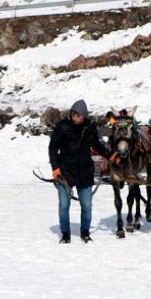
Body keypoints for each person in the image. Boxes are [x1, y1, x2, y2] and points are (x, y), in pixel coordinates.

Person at [48, 99, 110, 244]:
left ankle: (85, 232)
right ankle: (65, 234)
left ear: (84, 116)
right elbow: (52, 148)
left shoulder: (90, 127)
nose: (76, 118)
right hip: (65, 172)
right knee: (64, 205)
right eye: (74, 114)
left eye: (79, 116)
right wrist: (55, 168)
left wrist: (110, 155)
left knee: (87, 206)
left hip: (85, 172)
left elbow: (96, 144)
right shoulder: (61, 127)